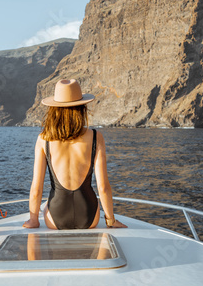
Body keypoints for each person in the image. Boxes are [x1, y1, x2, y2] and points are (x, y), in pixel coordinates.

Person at [23, 79, 126, 230]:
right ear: (81, 108)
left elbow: (36, 188)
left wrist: (33, 220)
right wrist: (110, 220)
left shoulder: (43, 139)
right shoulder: (96, 137)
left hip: (56, 218)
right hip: (89, 217)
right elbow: (103, 187)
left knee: (47, 203)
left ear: (54, 110)